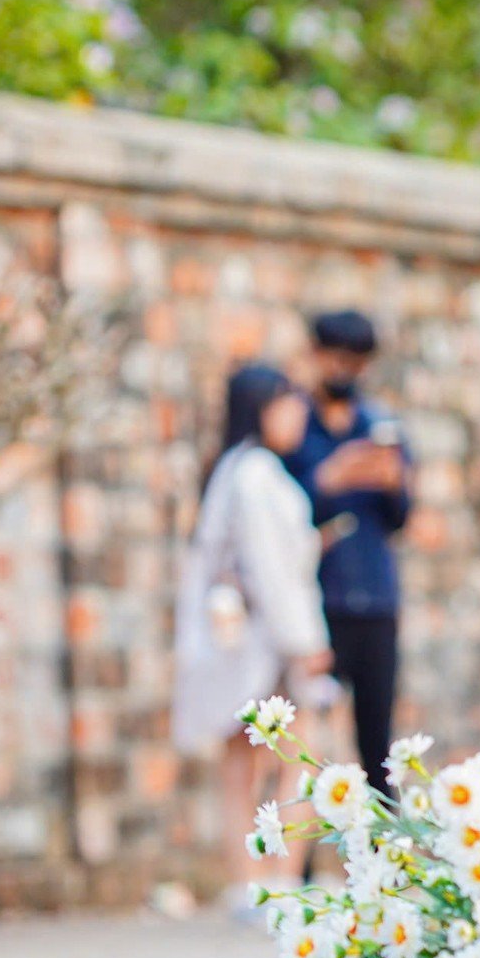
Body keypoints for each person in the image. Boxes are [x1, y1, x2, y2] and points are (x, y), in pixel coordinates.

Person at [171, 364, 332, 896]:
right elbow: (272, 572)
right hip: (268, 646)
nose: (300, 414)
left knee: (240, 764)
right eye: (289, 403)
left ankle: (251, 884)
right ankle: (280, 881)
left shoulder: (231, 471)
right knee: (299, 758)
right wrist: (307, 643)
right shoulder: (258, 476)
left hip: (239, 645)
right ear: (262, 409)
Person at [282, 309, 413, 803]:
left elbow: (400, 517)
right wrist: (329, 479)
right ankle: (302, 868)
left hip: (375, 598)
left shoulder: (380, 425)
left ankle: (391, 866)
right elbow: (281, 512)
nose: (344, 370)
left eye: (355, 360)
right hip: (317, 599)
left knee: (377, 743)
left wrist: (393, 481)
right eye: (336, 357)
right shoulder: (295, 428)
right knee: (309, 742)